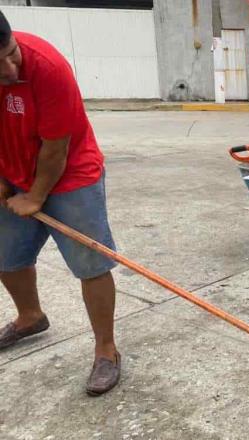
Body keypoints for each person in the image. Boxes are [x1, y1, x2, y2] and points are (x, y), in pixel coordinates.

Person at [0, 11, 120, 395]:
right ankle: (30, 316)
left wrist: (35, 197)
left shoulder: (47, 66)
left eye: (11, 53)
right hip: (12, 170)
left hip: (71, 174)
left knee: (91, 262)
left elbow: (57, 148)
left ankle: (106, 350)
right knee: (6, 256)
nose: (9, 67)